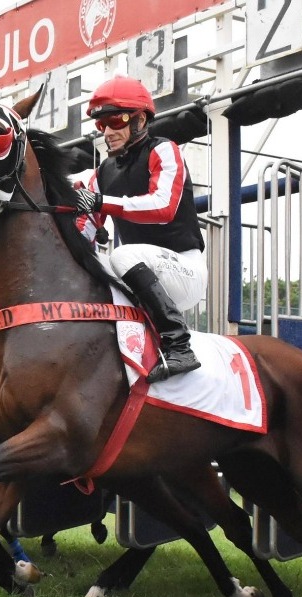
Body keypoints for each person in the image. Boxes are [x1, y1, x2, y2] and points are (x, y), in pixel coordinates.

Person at [71, 74, 203, 382]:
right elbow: (84, 230)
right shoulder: (101, 173)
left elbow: (162, 208)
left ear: (140, 120)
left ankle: (179, 345)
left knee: (122, 255)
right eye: (101, 125)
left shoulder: (165, 150)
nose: (107, 132)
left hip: (184, 270)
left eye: (115, 120)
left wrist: (101, 202)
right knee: (85, 266)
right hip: (140, 268)